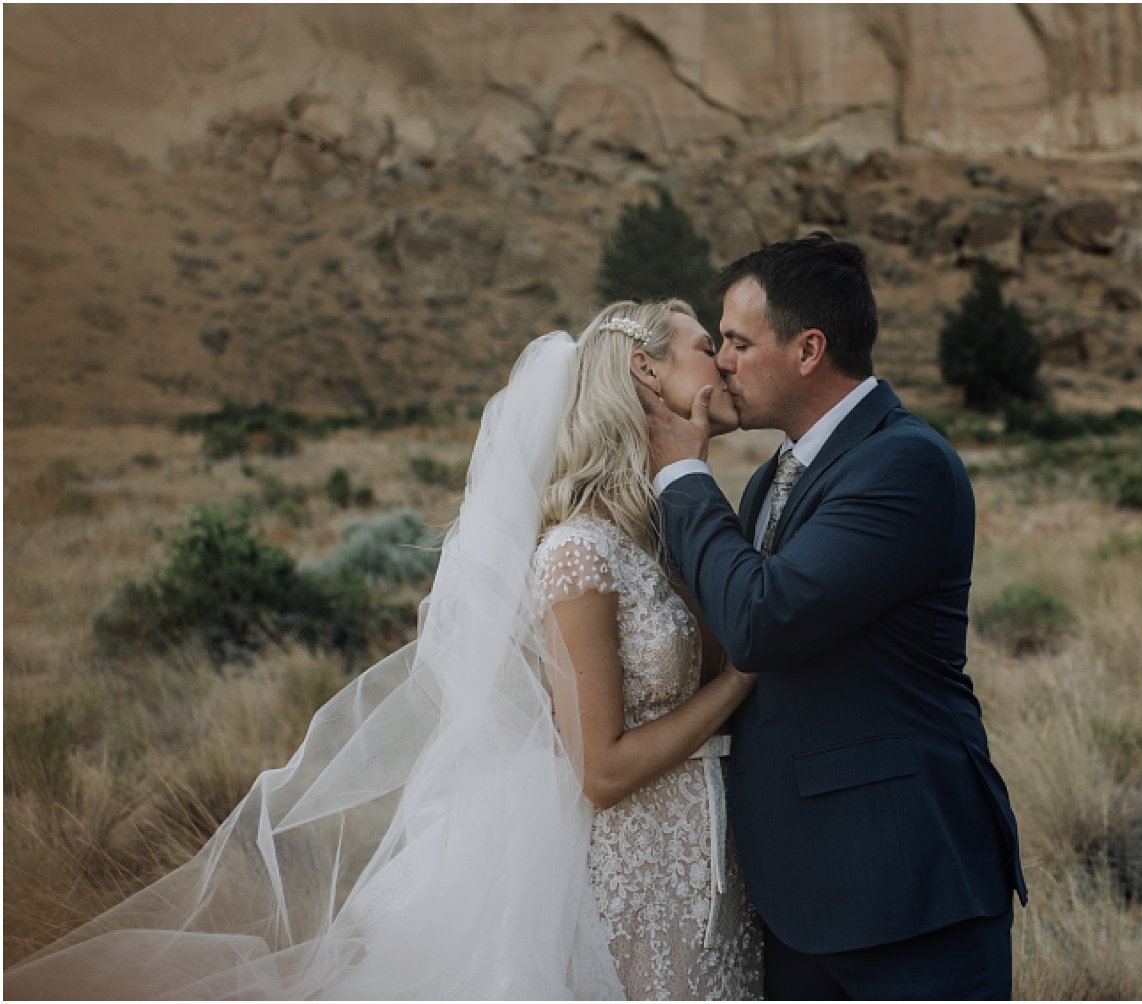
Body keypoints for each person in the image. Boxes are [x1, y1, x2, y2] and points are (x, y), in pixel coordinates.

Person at [6, 300, 762, 1000]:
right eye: (708, 345)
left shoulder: (668, 530)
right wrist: (738, 684)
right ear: (645, 370)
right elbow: (600, 771)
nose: (726, 362)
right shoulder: (578, 551)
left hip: (710, 866)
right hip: (633, 879)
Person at [639, 232, 1028, 1000]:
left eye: (739, 342)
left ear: (809, 349)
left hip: (903, 887)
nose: (722, 362)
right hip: (799, 893)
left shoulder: (902, 463)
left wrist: (680, 471)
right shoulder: (771, 479)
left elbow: (761, 621)